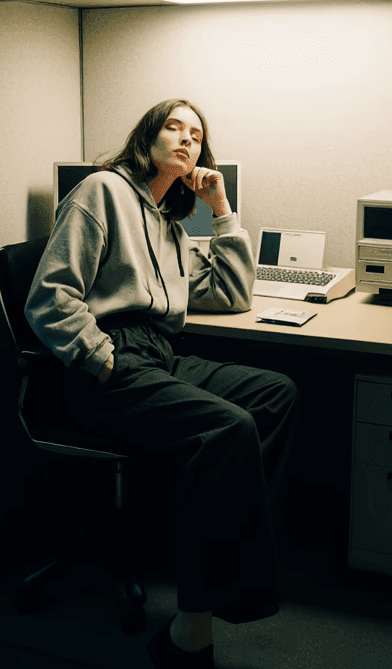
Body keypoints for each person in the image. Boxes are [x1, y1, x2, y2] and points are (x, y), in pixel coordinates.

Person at [24, 99, 300, 669]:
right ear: (146, 138)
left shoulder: (169, 223)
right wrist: (100, 358)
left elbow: (230, 295)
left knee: (276, 394)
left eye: (196, 134)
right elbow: (49, 298)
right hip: (106, 363)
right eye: (173, 126)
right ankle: (192, 628)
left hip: (159, 355)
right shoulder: (101, 191)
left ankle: (223, 567)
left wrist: (221, 210)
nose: (186, 138)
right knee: (228, 428)